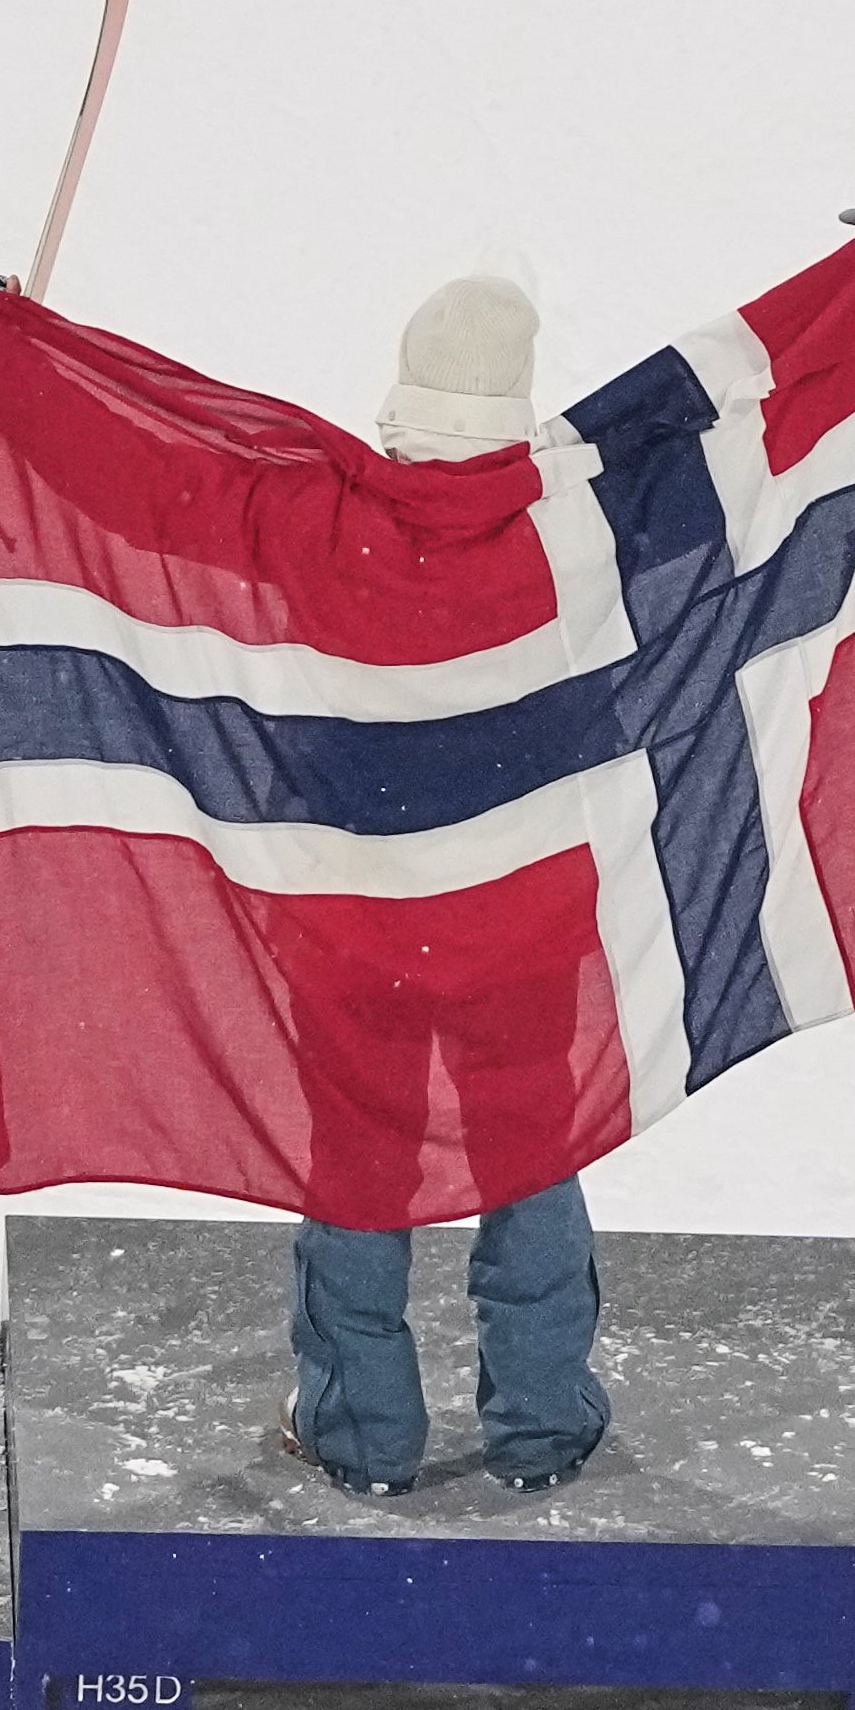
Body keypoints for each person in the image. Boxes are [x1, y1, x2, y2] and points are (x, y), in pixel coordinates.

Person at [291, 280, 610, 1499]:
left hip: (358, 914)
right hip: (520, 916)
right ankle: (541, 1422)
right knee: (532, 1151)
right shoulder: (573, 528)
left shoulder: (328, 524)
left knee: (358, 1163)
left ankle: (360, 1430)